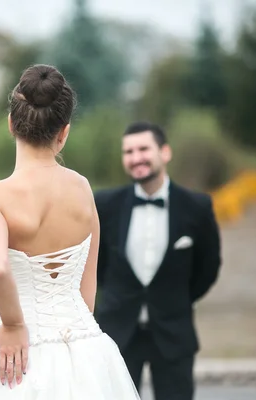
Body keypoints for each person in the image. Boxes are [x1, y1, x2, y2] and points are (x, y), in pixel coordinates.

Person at [0, 64, 140, 400]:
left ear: (11, 124)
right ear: (64, 132)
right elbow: (87, 290)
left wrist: (13, 325)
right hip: (86, 352)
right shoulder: (83, 189)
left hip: (18, 357)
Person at [93, 121, 222, 400]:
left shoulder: (197, 207)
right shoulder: (104, 205)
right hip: (117, 332)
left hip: (174, 332)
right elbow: (96, 265)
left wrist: (176, 297)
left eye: (143, 149)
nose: (136, 157)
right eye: (128, 151)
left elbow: (208, 267)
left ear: (165, 153)